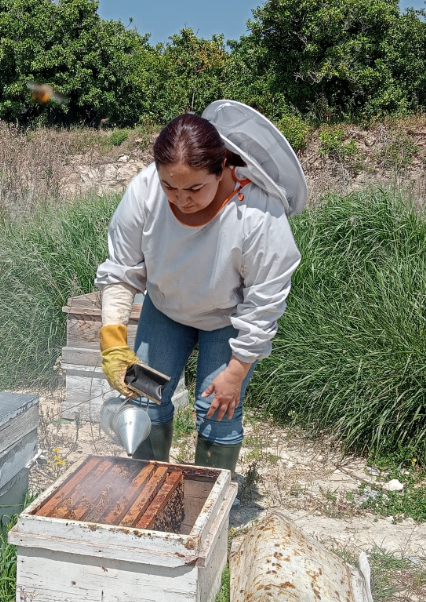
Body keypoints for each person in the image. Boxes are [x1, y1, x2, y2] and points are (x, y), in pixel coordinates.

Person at [94, 100, 307, 473]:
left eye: (194, 188)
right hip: (165, 309)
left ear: (223, 166)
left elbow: (264, 300)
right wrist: (112, 341)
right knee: (146, 398)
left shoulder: (258, 213)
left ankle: (209, 503)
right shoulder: (144, 190)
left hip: (228, 318)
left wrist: (236, 372)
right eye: (170, 187)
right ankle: (149, 490)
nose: (181, 199)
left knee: (218, 410)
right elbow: (121, 269)